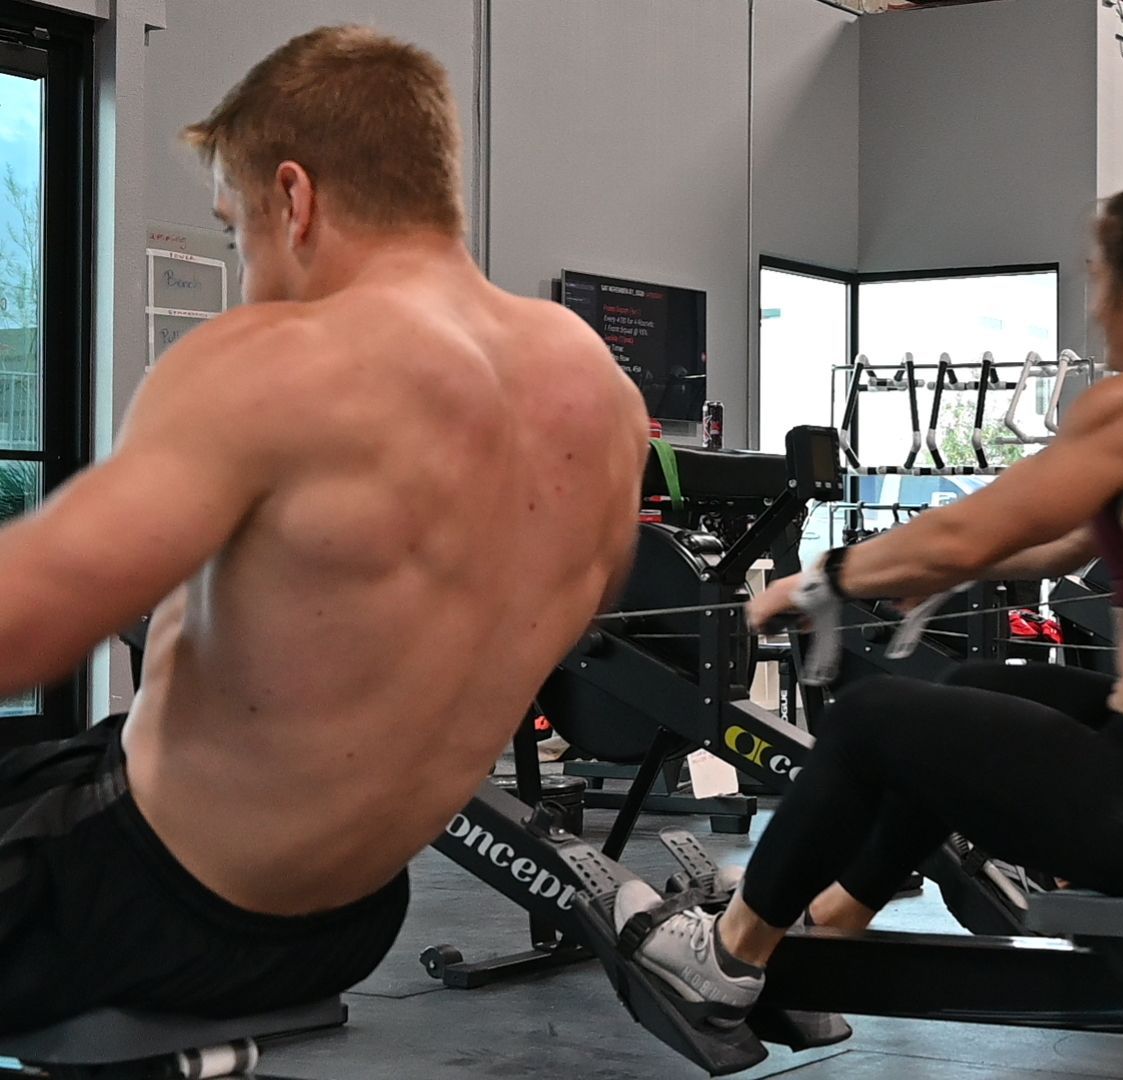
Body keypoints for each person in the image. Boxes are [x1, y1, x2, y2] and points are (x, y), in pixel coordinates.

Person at [0, 27, 647, 1032]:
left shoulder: (282, 360)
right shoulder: (601, 398)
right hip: (351, 915)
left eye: (236, 232)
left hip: (138, 899)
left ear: (294, 199)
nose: (247, 269)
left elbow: (19, 633)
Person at [625, 179, 1123, 1026]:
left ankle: (728, 955)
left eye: (1099, 279)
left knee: (870, 717)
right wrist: (933, 572)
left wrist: (827, 577)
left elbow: (970, 531)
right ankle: (838, 916)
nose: (1095, 306)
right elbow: (1053, 542)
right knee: (973, 692)